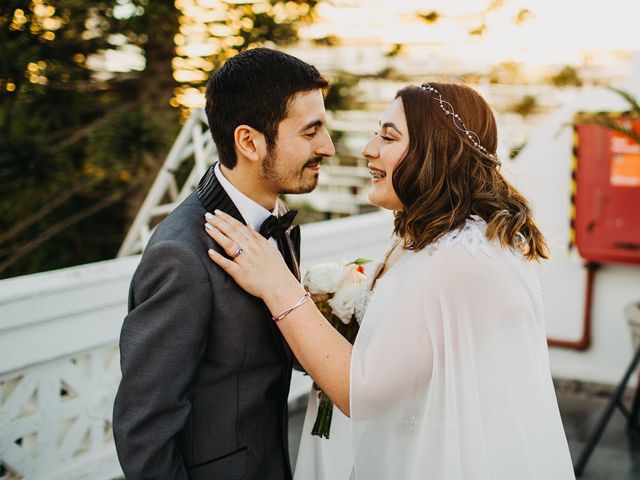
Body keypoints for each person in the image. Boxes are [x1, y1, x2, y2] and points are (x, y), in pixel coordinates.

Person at [203, 82, 577, 479]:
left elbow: (360, 392)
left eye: (388, 136)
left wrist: (278, 284)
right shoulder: (442, 240)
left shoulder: (455, 260)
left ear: (435, 150)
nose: (369, 149)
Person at [112, 48, 335, 480]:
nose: (326, 146)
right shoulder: (180, 255)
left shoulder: (281, 226)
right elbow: (143, 429)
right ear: (249, 141)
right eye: (311, 132)